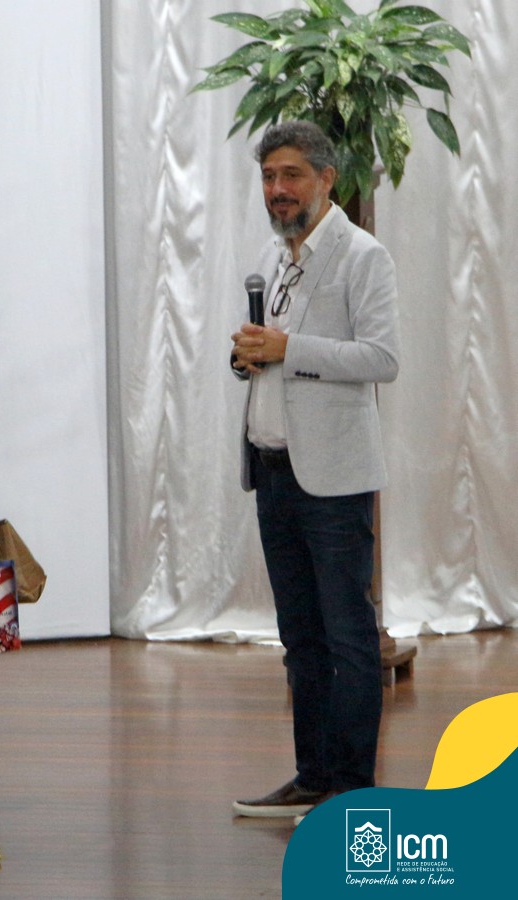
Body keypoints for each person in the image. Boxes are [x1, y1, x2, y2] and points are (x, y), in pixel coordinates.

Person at [229, 121, 400, 819]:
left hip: (333, 479)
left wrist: (287, 347)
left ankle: (352, 789)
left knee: (348, 637)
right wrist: (246, 355)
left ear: (327, 179)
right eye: (269, 177)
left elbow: (381, 358)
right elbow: (272, 352)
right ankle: (312, 774)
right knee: (299, 636)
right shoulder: (274, 258)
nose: (278, 189)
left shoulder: (362, 256)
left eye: (292, 175)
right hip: (273, 471)